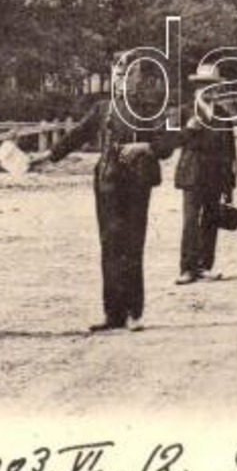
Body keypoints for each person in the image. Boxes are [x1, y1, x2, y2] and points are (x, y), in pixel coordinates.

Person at [32, 52, 178, 333]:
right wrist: (47, 157)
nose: (123, 80)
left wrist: (144, 147)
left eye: (128, 75)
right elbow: (75, 136)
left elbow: (169, 141)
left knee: (133, 246)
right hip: (108, 185)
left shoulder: (151, 110)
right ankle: (113, 315)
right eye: (118, 75)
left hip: (137, 185)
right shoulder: (103, 109)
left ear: (139, 79)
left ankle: (135, 313)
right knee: (110, 247)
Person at [176, 62, 237, 285]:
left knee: (211, 220)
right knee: (190, 221)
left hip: (216, 175)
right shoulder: (185, 111)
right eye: (204, 86)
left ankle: (205, 266)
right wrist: (188, 129)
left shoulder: (223, 115)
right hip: (192, 174)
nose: (209, 90)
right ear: (196, 88)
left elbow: (231, 150)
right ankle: (187, 268)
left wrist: (230, 182)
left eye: (212, 86)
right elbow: (169, 141)